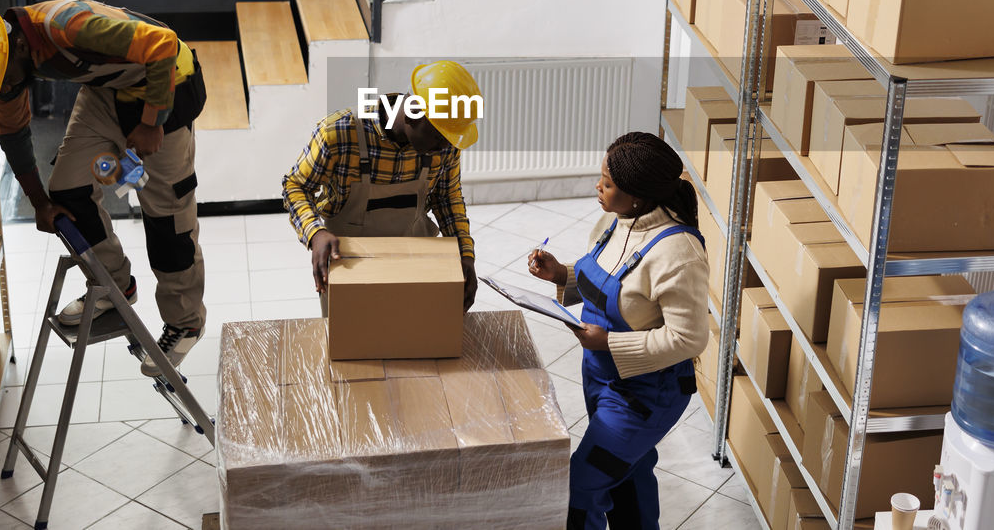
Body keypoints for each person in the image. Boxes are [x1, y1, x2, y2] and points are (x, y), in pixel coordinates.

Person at [0, 0, 207, 377]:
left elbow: (163, 44)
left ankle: (186, 321)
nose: (2, 89)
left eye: (3, 79)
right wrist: (38, 202)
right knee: (67, 190)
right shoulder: (3, 62)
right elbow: (13, 133)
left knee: (166, 219)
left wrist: (151, 121)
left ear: (17, 46)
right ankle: (114, 288)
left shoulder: (69, 26)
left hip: (162, 86)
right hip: (105, 93)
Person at [528, 131, 709, 530]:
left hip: (644, 398)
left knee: (582, 485)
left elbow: (690, 338)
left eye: (607, 183)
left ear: (639, 197)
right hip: (602, 378)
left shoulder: (678, 256)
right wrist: (561, 273)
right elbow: (611, 280)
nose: (598, 187)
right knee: (628, 472)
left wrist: (608, 341)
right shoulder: (615, 221)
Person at [282, 60, 483, 310]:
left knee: (412, 342)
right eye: (441, 137)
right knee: (352, 346)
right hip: (350, 268)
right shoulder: (340, 134)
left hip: (413, 267)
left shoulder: (443, 148)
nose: (446, 147)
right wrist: (315, 233)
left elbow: (447, 197)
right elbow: (295, 186)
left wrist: (465, 254)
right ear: (412, 114)